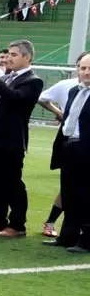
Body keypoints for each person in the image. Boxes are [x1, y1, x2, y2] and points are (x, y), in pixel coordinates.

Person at [0, 39, 43, 238]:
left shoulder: (33, 80)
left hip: (11, 140)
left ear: (27, 57)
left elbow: (16, 99)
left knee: (12, 182)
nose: (9, 58)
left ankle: (17, 225)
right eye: (9, 54)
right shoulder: (6, 78)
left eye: (14, 55)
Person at [45, 51, 90, 253]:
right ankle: (67, 237)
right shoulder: (74, 91)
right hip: (69, 147)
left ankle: (86, 241)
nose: (86, 72)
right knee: (69, 194)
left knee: (86, 196)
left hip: (87, 149)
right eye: (83, 68)